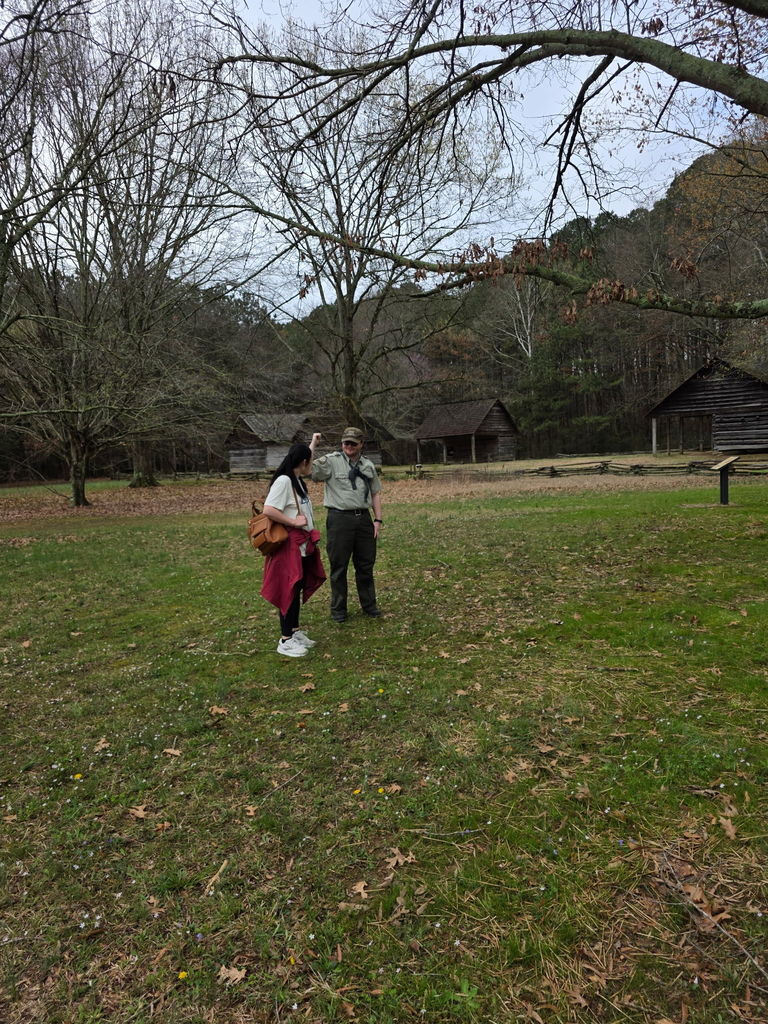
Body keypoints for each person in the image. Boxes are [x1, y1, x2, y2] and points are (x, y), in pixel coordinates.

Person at [310, 427, 383, 622]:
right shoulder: (331, 462)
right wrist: (313, 444)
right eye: (345, 443)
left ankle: (369, 606)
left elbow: (375, 492)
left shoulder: (368, 465)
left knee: (366, 566)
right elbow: (306, 468)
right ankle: (339, 610)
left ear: (361, 444)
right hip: (339, 519)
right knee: (339, 566)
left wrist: (377, 519)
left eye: (352, 443)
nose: (348, 446)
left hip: (364, 520)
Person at [260, 443, 326, 657]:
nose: (312, 466)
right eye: (310, 461)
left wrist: (313, 442)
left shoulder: (296, 479)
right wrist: (293, 522)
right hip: (289, 546)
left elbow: (303, 453)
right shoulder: (284, 481)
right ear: (304, 462)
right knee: (287, 589)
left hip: (301, 546)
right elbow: (268, 509)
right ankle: (285, 639)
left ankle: (295, 632)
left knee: (296, 586)